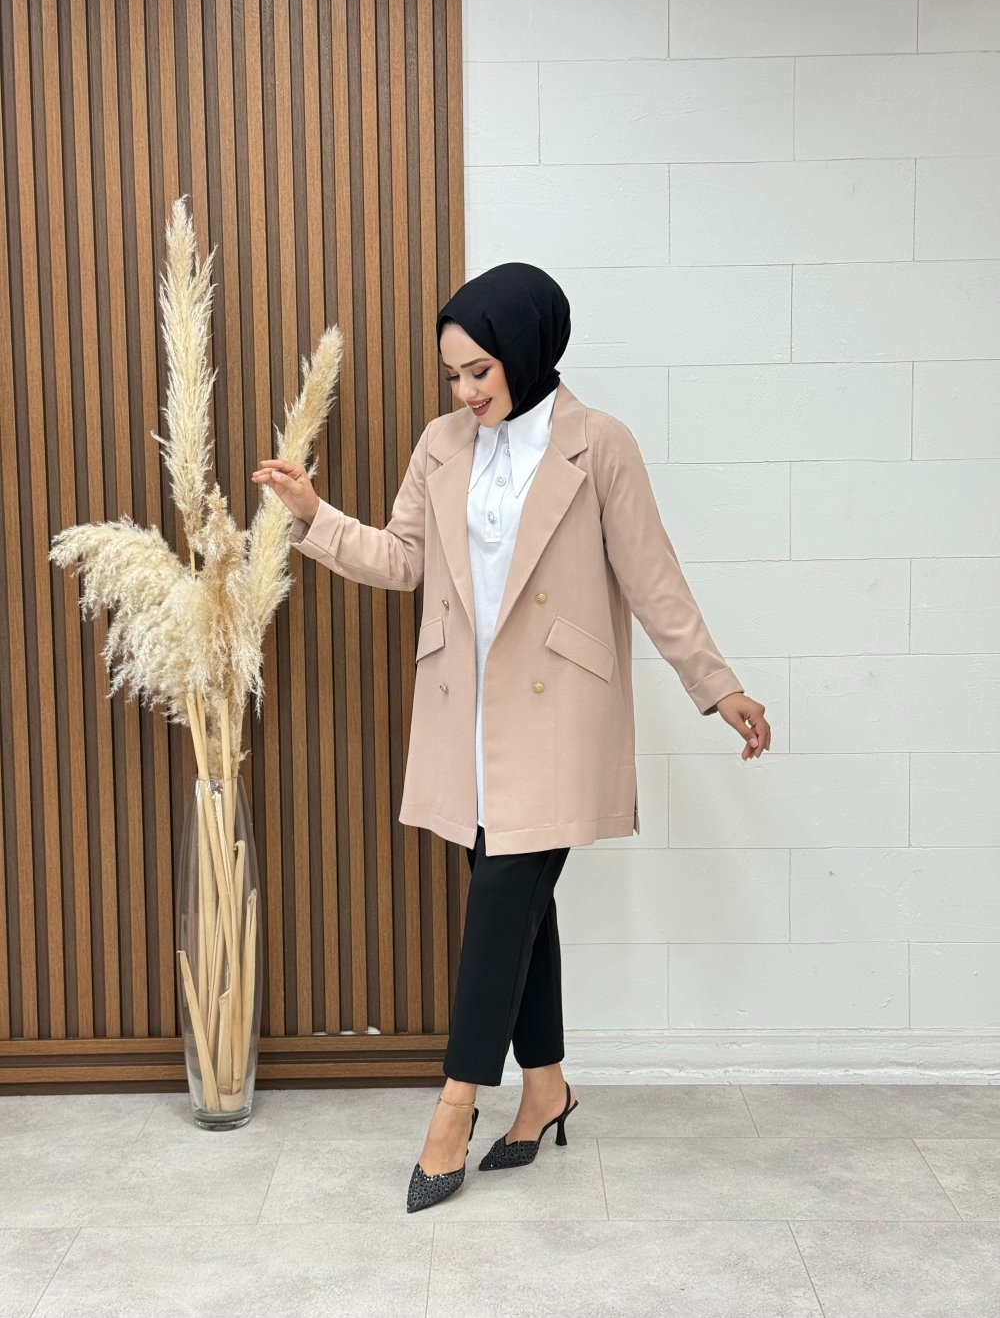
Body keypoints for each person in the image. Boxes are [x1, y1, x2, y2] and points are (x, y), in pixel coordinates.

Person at [251, 261, 771, 1214]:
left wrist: (717, 684)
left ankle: (455, 1106)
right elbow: (403, 560)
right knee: (519, 903)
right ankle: (546, 1088)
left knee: (501, 899)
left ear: (527, 351)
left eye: (480, 371)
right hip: (467, 713)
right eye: (453, 374)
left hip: (559, 711)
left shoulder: (598, 444)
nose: (466, 390)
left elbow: (651, 577)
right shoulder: (443, 443)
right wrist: (314, 516)